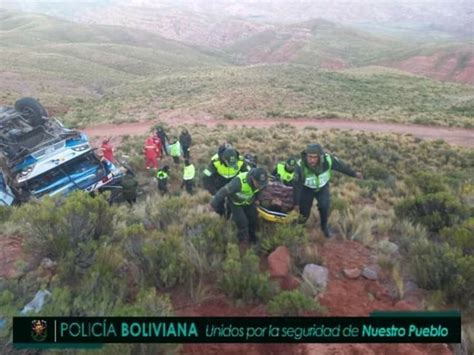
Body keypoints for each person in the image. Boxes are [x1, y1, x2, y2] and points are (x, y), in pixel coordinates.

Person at [293, 144, 363, 238]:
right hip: (307, 189)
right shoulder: (300, 166)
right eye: (310, 157)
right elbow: (296, 185)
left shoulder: (328, 160)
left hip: (322, 187)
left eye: (315, 157)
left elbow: (342, 166)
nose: (312, 160)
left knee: (324, 206)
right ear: (306, 155)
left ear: (320, 156)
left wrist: (353, 174)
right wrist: (296, 203)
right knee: (304, 211)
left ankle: (324, 227)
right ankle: (300, 227)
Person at [211, 167, 268, 244]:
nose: (260, 186)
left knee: (253, 219)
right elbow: (223, 192)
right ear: (252, 178)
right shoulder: (238, 182)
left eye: (262, 184)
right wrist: (212, 205)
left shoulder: (261, 184)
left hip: (248, 202)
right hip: (236, 203)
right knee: (242, 223)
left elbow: (258, 191)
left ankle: (252, 239)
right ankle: (243, 242)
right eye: (258, 183)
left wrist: (257, 199)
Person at [203, 147, 249, 217]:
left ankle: (229, 214)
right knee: (219, 202)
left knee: (233, 201)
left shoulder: (240, 160)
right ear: (223, 159)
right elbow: (206, 177)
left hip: (234, 182)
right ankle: (221, 215)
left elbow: (248, 174)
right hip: (219, 181)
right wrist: (213, 191)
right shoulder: (215, 162)